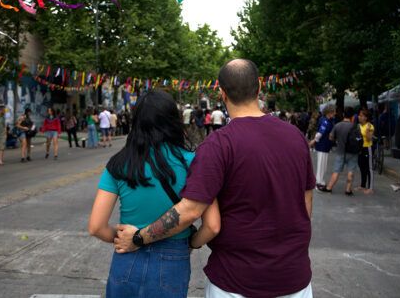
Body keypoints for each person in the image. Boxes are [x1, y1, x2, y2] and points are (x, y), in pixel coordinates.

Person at [114, 59, 315, 298]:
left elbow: (189, 211)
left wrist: (140, 238)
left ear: (222, 93)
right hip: (294, 280)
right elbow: (306, 205)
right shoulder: (295, 137)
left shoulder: (218, 145)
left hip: (235, 282)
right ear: (259, 88)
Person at [88, 90, 220, 298]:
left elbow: (96, 226)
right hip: (173, 259)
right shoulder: (192, 162)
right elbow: (212, 225)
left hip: (127, 259)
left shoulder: (119, 164)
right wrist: (192, 242)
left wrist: (126, 238)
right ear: (173, 120)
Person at [318, 106, 358, 195]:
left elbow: (331, 137)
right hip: (352, 152)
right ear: (353, 116)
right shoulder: (355, 126)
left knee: (336, 171)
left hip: (340, 151)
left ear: (344, 114)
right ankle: (348, 190)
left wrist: (337, 140)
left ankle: (329, 188)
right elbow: (359, 139)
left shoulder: (338, 125)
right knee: (351, 171)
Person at [309, 105, 335, 189]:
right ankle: (318, 182)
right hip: (322, 145)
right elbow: (320, 132)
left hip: (325, 145)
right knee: (321, 164)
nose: (334, 113)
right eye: (333, 111)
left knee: (323, 164)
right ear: (329, 112)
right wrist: (314, 140)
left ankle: (320, 181)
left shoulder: (327, 120)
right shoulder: (325, 121)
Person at [357, 109, 375, 195]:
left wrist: (367, 131)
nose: (359, 117)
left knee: (369, 168)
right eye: (359, 115)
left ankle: (370, 188)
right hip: (360, 148)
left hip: (367, 148)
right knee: (361, 167)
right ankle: (362, 185)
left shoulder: (370, 126)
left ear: (365, 117)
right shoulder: (358, 125)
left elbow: (369, 139)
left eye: (361, 115)